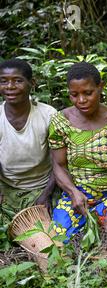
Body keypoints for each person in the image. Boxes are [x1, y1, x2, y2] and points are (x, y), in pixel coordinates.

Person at [49, 61, 107, 240]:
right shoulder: (60, 121)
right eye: (74, 95)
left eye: (88, 93)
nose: (81, 100)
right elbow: (59, 166)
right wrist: (73, 193)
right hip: (77, 198)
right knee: (60, 238)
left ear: (100, 87)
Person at [0, 58, 57, 226]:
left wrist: (46, 195)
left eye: (18, 81)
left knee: (50, 230)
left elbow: (59, 162)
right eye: (4, 81)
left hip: (43, 187)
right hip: (7, 188)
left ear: (32, 83)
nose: (10, 87)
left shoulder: (48, 115)